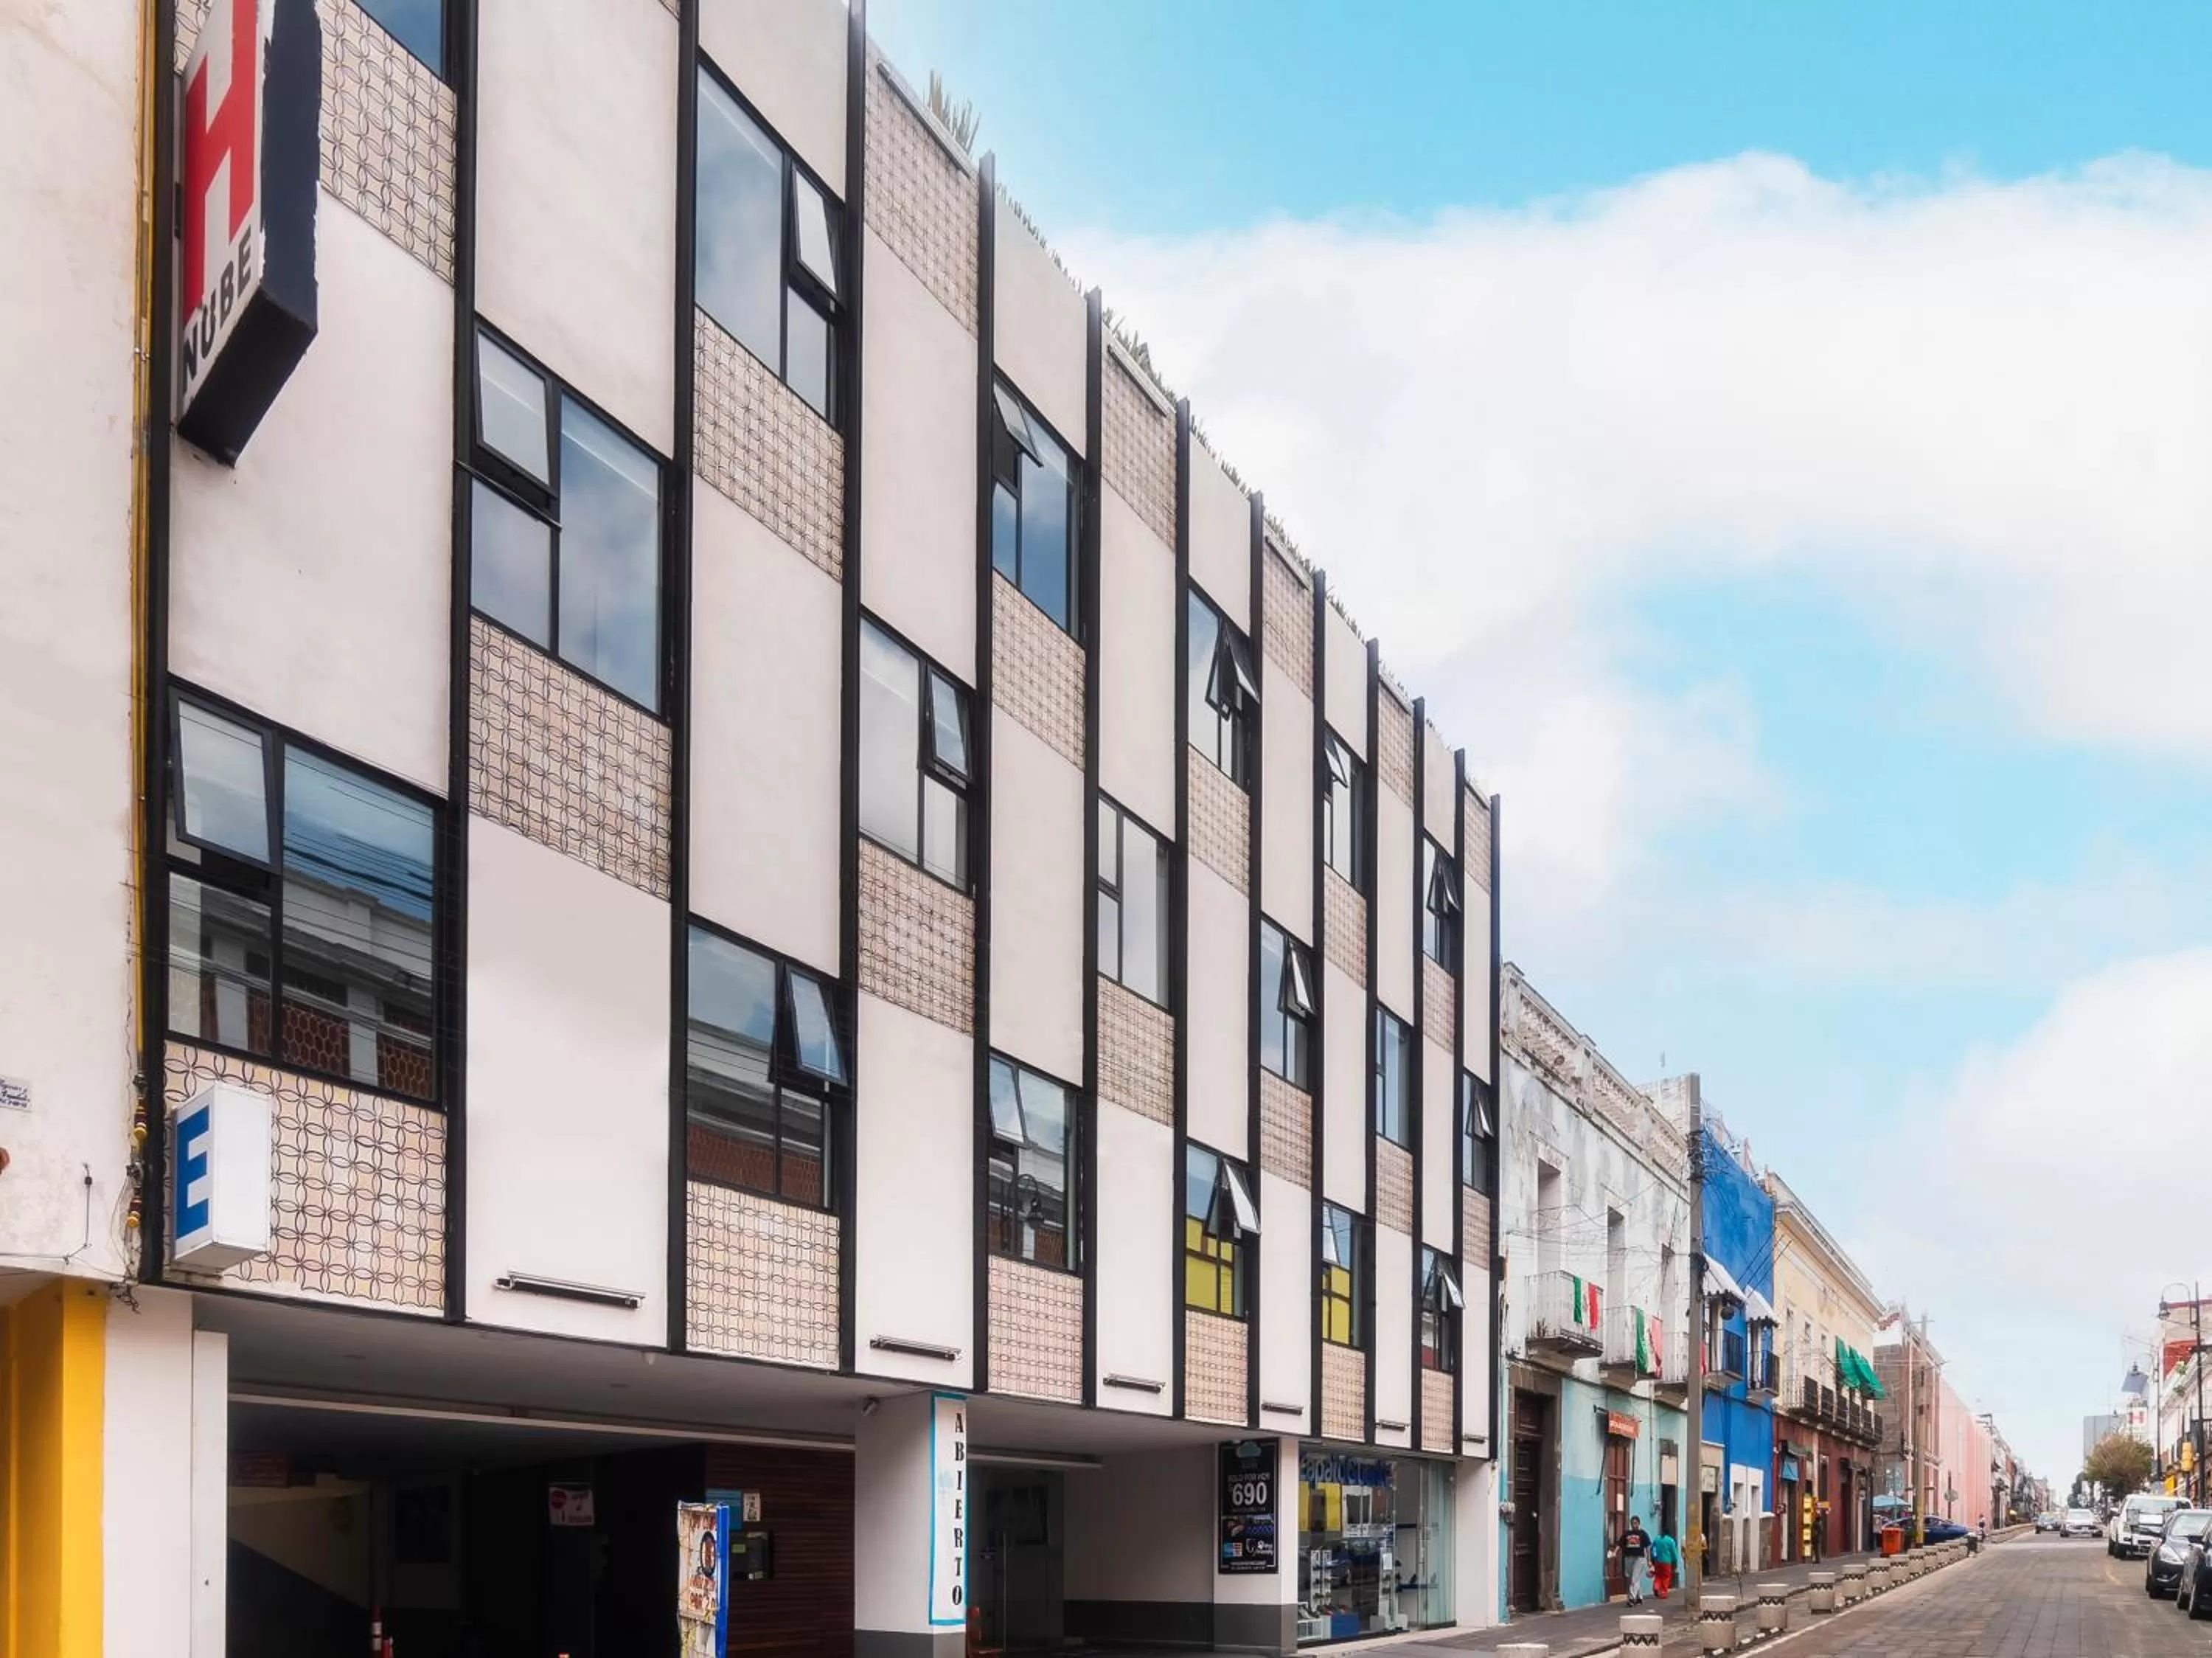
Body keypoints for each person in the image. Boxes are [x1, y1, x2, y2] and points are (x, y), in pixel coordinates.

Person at [1620, 1514, 1653, 1605]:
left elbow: (1648, 1547)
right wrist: (1615, 1552)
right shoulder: (1627, 1533)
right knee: (1634, 1578)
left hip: (1640, 1558)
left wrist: (1649, 1560)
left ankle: (1631, 1598)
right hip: (1629, 1558)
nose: (1634, 1525)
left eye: (1635, 1523)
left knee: (1634, 1578)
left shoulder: (1643, 1534)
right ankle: (1639, 1597)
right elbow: (1620, 1544)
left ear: (1639, 1524)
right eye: (1632, 1523)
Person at [1650, 1525, 1681, 1600]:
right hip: (1666, 1562)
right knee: (1666, 1577)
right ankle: (1663, 1592)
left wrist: (1654, 1558)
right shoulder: (1670, 1541)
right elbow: (1674, 1553)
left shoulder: (1656, 1539)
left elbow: (1653, 1549)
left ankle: (1656, 1587)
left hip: (1657, 1561)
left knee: (1658, 1576)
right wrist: (1675, 1561)